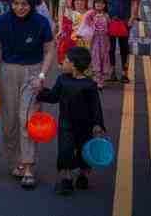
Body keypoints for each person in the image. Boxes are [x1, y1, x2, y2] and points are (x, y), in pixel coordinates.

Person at [0, 0, 54, 189]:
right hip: (7, 72)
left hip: (33, 73)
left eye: (24, 4)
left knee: (27, 120)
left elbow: (49, 51)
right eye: (16, 3)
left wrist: (42, 76)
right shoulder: (2, 21)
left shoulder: (41, 22)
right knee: (9, 121)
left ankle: (28, 166)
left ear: (31, 4)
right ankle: (16, 161)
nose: (20, 8)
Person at [36, 47, 106, 195]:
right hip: (65, 123)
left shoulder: (89, 85)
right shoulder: (62, 80)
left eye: (66, 60)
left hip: (85, 125)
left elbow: (95, 106)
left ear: (73, 65)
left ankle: (83, 175)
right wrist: (40, 93)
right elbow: (53, 96)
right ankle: (66, 179)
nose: (62, 62)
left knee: (84, 150)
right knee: (65, 150)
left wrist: (98, 124)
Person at [99, 0, 139, 84]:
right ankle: (112, 71)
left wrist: (132, 18)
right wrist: (102, 17)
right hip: (109, 21)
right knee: (110, 47)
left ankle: (124, 73)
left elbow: (134, 2)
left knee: (124, 46)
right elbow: (101, 2)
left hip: (124, 21)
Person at [81, 0, 111, 90]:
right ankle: (97, 78)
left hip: (105, 40)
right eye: (97, 3)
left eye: (101, 3)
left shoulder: (107, 15)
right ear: (94, 4)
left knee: (103, 57)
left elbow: (109, 27)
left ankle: (101, 78)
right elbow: (85, 24)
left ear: (105, 5)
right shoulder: (91, 14)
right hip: (94, 39)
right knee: (95, 57)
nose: (99, 4)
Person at [57, 0, 89, 66]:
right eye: (77, 0)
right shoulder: (70, 14)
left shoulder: (89, 13)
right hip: (74, 40)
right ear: (73, 2)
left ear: (86, 2)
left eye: (82, 0)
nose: (79, 2)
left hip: (86, 40)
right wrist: (60, 30)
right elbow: (66, 28)